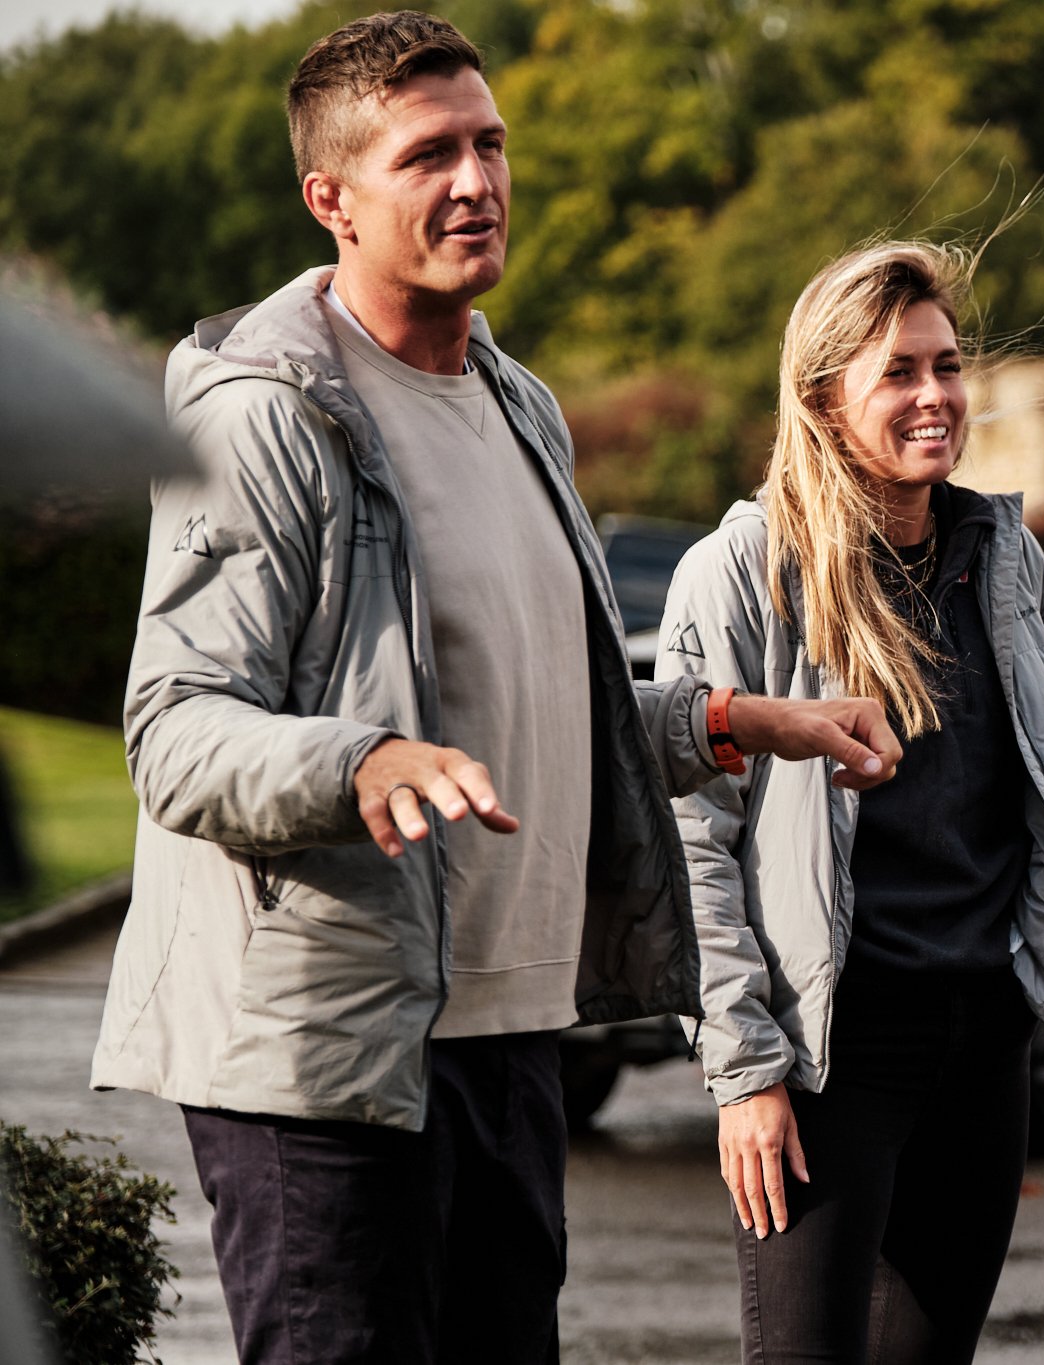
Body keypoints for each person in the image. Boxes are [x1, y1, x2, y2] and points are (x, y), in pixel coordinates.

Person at [88, 14, 902, 1365]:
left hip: (514, 1039)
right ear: (331, 200)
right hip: (329, 1066)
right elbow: (175, 732)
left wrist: (725, 721)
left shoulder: (522, 405)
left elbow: (538, 719)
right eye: (429, 155)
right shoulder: (262, 417)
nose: (477, 181)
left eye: (490, 143)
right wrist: (361, 764)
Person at [659, 240, 1044, 1364]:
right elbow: (689, 842)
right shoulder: (745, 569)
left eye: (947, 366)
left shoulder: (1002, 555)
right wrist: (744, 1073)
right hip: (826, 1054)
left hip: (979, 1039)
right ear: (822, 398)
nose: (935, 397)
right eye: (899, 373)